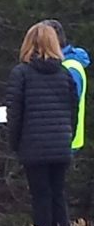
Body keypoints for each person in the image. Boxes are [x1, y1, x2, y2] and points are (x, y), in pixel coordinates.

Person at [7, 23, 79, 226]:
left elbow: (14, 113)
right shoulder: (65, 74)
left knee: (40, 197)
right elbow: (73, 110)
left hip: (33, 144)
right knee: (58, 195)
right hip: (60, 143)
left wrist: (15, 142)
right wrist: (66, 137)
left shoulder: (21, 73)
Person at [42, 19, 88, 152]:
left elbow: (67, 105)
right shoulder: (62, 64)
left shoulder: (70, 68)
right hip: (60, 138)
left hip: (65, 141)